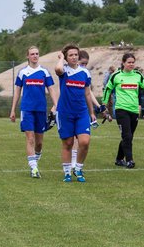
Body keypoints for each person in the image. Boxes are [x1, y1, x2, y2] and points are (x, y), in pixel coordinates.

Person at [53, 44, 101, 182]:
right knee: (68, 143)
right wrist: (61, 58)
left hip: (81, 113)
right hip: (65, 113)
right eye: (71, 55)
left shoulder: (85, 73)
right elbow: (57, 68)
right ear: (66, 58)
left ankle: (78, 168)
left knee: (84, 142)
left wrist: (92, 113)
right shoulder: (64, 71)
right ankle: (67, 172)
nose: (74, 57)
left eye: (76, 54)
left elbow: (87, 93)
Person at [9, 45, 57, 178]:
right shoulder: (22, 72)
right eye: (32, 54)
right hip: (27, 109)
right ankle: (34, 168)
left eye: (37, 53)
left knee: (39, 142)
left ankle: (35, 161)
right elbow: (17, 91)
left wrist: (56, 104)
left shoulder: (44, 72)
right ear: (27, 56)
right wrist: (13, 110)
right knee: (30, 139)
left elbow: (51, 89)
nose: (35, 56)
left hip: (41, 109)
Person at [102, 52, 144, 168]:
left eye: (133, 62)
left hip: (134, 110)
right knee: (127, 136)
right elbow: (108, 89)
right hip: (121, 109)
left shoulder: (138, 75)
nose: (131, 64)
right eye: (129, 62)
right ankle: (129, 160)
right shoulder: (116, 76)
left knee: (129, 136)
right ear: (123, 63)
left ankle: (118, 159)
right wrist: (104, 104)